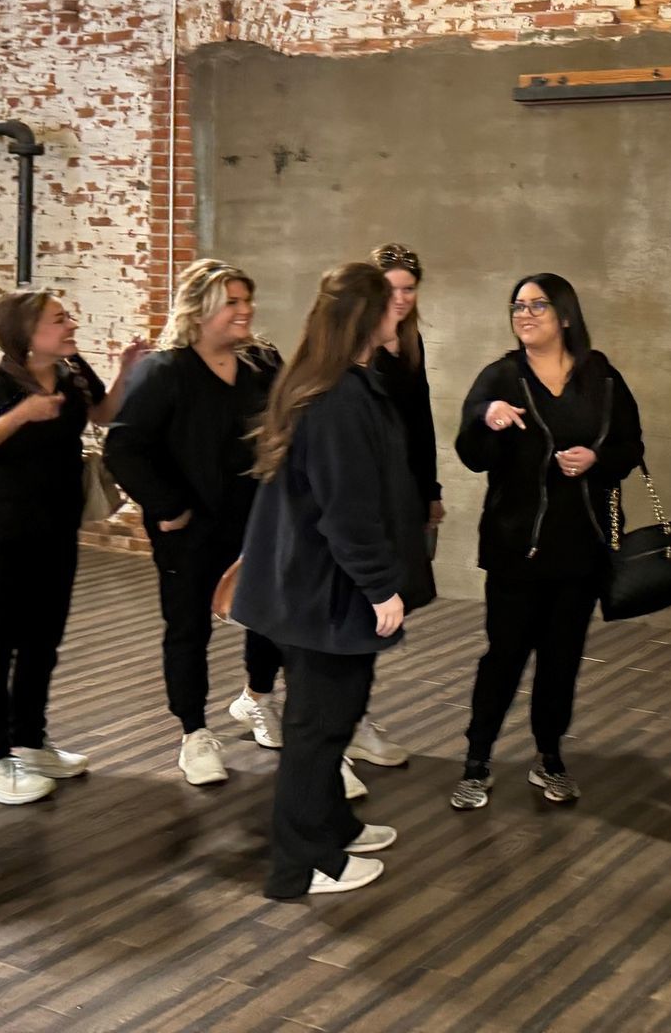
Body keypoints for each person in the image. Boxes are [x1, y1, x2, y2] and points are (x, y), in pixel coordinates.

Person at [234, 262, 435, 898]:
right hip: (324, 592)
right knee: (316, 729)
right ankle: (300, 864)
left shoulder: (339, 383)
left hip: (319, 588)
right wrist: (380, 586)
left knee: (333, 716)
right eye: (389, 300)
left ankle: (332, 826)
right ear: (367, 317)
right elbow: (345, 508)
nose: (400, 307)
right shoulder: (338, 398)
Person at [104, 259, 335, 790]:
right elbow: (124, 449)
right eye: (232, 302)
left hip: (258, 521)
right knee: (189, 628)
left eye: (246, 300)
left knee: (269, 618)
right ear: (199, 310)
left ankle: (257, 698)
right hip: (190, 530)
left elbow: (289, 424)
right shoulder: (164, 371)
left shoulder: (262, 362)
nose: (245, 311)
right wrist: (169, 508)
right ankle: (194, 732)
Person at [0, 291, 146, 804]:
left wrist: (125, 372)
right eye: (59, 319)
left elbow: (102, 413)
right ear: (27, 333)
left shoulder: (72, 372)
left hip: (54, 530)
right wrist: (19, 415)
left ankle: (29, 742)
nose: (71, 324)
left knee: (42, 642)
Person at [450, 273, 644, 810]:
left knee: (562, 659)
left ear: (565, 315)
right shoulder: (501, 376)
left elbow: (630, 445)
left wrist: (596, 458)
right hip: (516, 546)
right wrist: (486, 418)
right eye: (518, 305)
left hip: (581, 547)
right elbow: (470, 454)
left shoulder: (601, 377)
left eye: (537, 305)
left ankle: (549, 756)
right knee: (504, 656)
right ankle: (477, 761)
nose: (525, 314)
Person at [322, 241, 443, 772]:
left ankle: (354, 718)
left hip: (399, 492)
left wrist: (430, 491)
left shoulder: (407, 345)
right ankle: (327, 725)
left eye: (409, 289)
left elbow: (420, 424)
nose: (401, 298)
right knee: (355, 612)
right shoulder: (352, 360)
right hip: (364, 499)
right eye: (391, 289)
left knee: (379, 617)